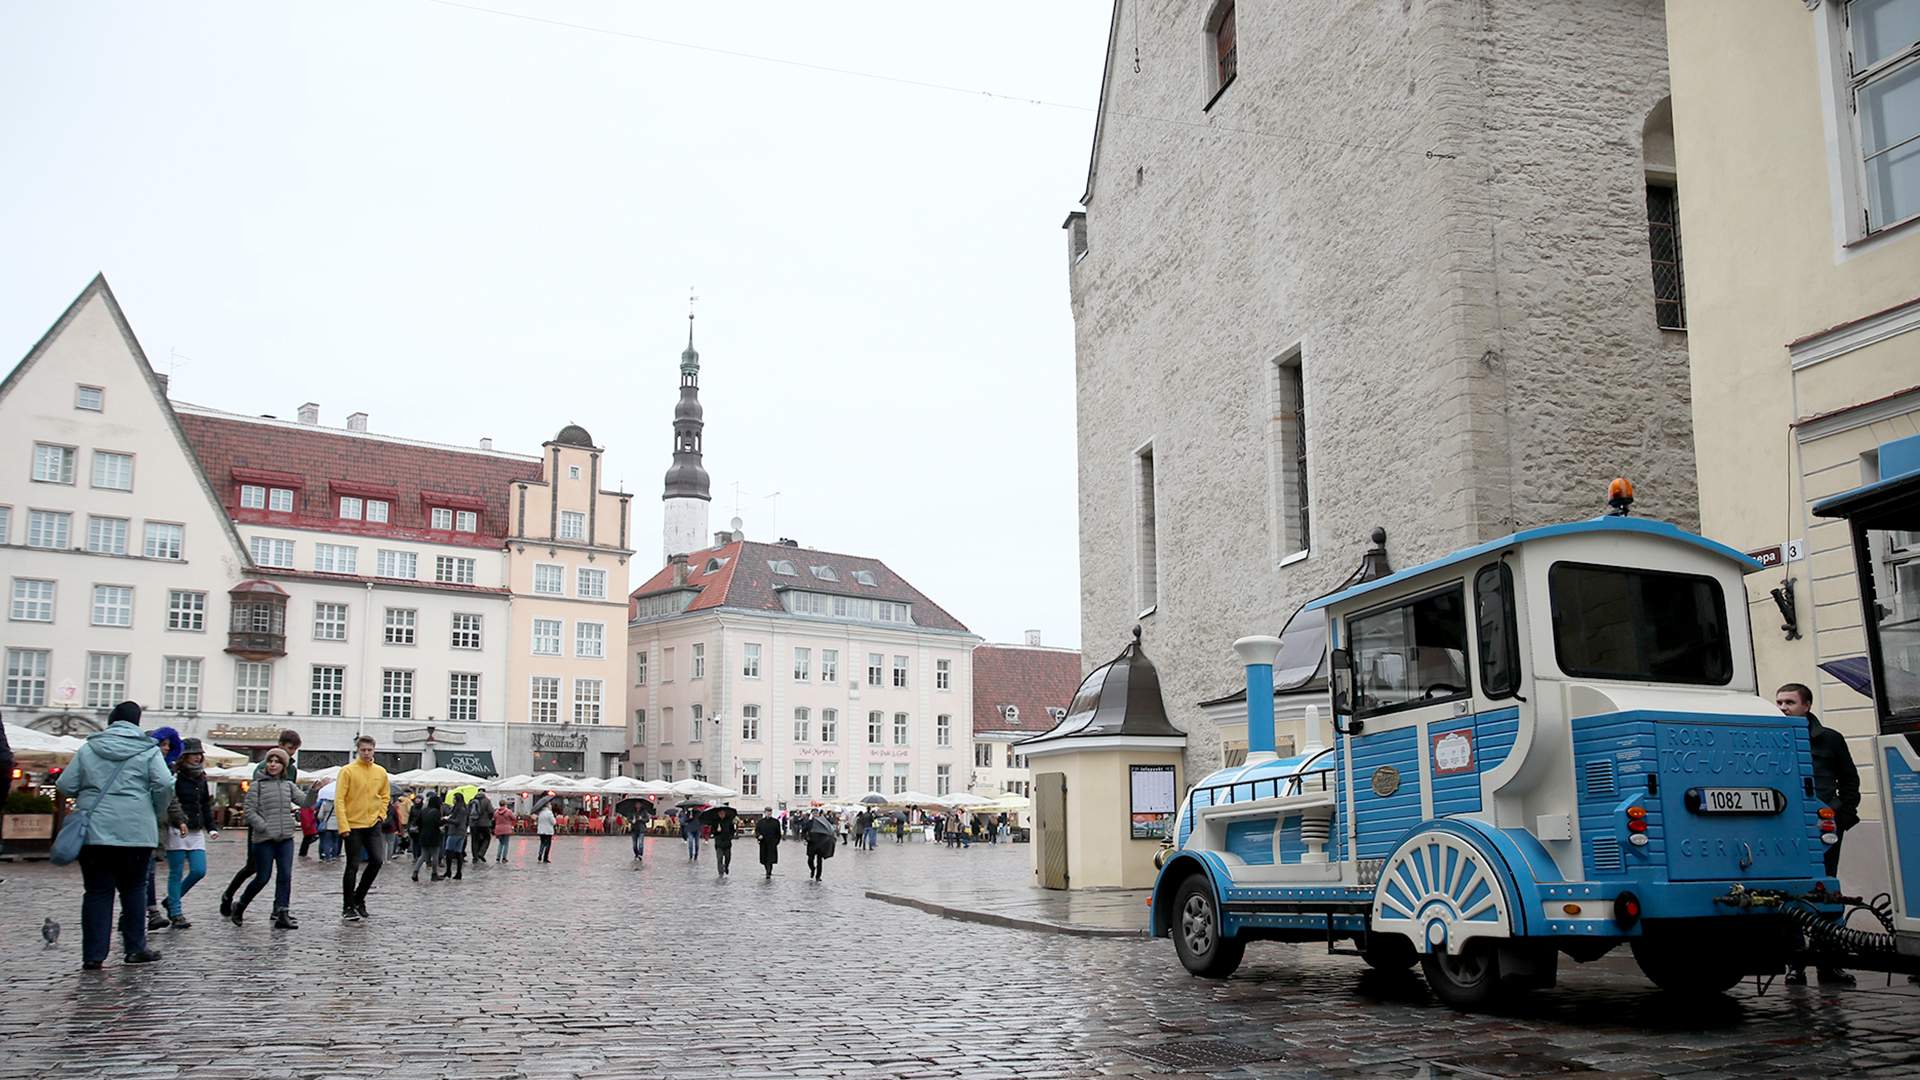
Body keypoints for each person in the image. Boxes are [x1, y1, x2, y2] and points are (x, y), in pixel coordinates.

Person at [55, 701, 174, 970]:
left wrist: (89, 794)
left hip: (95, 831)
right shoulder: (148, 750)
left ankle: (93, 955)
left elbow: (65, 784)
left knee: (97, 891)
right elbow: (165, 783)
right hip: (136, 831)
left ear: (111, 720)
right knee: (134, 889)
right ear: (137, 722)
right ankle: (135, 948)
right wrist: (154, 809)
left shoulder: (89, 748)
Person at [1777, 682, 1862, 986]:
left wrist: (1842, 815)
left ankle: (1829, 962)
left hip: (1825, 825)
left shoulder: (1829, 739)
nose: (1783, 708)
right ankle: (1795, 963)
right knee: (1789, 892)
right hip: (1788, 827)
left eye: (1789, 702)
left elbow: (1850, 780)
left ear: (1807, 706)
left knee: (1826, 891)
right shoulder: (1775, 739)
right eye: (1779, 703)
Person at [220, 730, 301, 917]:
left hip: (281, 827)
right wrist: (262, 824)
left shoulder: (291, 769)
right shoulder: (263, 767)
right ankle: (228, 895)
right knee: (253, 867)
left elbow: (291, 793)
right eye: (290, 748)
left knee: (283, 872)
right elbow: (256, 799)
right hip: (262, 826)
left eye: (295, 749)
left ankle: (279, 910)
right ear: (280, 745)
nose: (292, 753)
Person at [164, 738, 219, 928]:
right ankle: (176, 912)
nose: (197, 757)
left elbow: (204, 803)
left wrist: (211, 826)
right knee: (176, 872)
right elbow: (172, 801)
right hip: (177, 828)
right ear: (184, 756)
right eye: (194, 754)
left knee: (198, 870)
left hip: (195, 829)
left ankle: (172, 899)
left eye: (199, 754)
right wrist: (179, 821)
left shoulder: (201, 777)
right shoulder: (175, 775)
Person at [336, 735, 391, 922]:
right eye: (363, 750)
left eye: (369, 750)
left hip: (372, 823)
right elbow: (340, 799)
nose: (366, 753)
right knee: (352, 865)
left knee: (376, 860)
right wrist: (343, 825)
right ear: (357, 750)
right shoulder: (347, 771)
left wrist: (380, 816)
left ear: (374, 750)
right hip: (352, 824)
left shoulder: (380, 772)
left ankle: (359, 898)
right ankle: (348, 905)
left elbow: (385, 795)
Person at [411, 793, 444, 881]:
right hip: (434, 836)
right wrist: (444, 821)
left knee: (423, 855)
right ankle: (434, 874)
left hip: (423, 835)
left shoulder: (423, 811)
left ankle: (415, 872)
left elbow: (418, 822)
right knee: (435, 855)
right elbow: (438, 824)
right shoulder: (436, 812)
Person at [442, 792, 470, 880]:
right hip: (460, 832)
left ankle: (450, 871)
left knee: (449, 851)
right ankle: (457, 872)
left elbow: (457, 821)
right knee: (458, 852)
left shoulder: (460, 809)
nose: (453, 800)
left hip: (456, 832)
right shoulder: (460, 808)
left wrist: (447, 820)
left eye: (454, 799)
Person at [804, 812, 836, 881]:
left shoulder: (824, 823)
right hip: (812, 844)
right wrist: (806, 838)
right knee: (810, 860)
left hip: (821, 844)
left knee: (819, 861)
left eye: (816, 814)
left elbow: (829, 831)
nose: (815, 815)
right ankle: (812, 869)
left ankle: (818, 876)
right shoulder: (810, 823)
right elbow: (804, 831)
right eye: (814, 814)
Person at [469, 789, 494, 864]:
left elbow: (468, 811)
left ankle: (475, 857)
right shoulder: (486, 801)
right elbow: (491, 811)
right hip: (484, 824)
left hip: (473, 824)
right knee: (487, 838)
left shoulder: (472, 801)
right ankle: (481, 853)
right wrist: (489, 819)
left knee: (474, 840)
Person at [711, 808, 736, 877]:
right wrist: (717, 831)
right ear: (718, 814)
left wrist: (731, 836)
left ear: (725, 814)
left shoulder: (729, 821)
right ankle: (720, 872)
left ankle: (726, 866)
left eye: (723, 813)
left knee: (728, 858)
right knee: (719, 858)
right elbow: (712, 832)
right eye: (720, 813)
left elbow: (733, 830)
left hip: (727, 843)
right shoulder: (715, 822)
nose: (721, 815)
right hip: (719, 843)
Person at [756, 809, 781, 879]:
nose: (769, 814)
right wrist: (758, 836)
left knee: (770, 859)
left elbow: (778, 833)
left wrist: (776, 842)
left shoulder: (775, 822)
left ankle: (768, 872)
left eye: (770, 812)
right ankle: (767, 870)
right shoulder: (761, 822)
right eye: (767, 812)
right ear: (765, 813)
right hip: (763, 843)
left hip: (772, 843)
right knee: (764, 859)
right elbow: (757, 831)